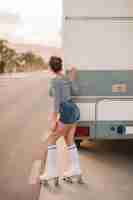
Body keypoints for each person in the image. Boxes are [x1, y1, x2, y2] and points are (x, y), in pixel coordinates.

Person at [40, 56, 83, 186]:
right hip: (74, 109)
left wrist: (54, 119)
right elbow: (76, 91)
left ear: (51, 68)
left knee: (51, 139)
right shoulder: (66, 78)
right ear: (61, 66)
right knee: (69, 139)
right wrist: (72, 79)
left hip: (66, 110)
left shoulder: (55, 80)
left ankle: (51, 172)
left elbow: (56, 100)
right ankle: (75, 170)